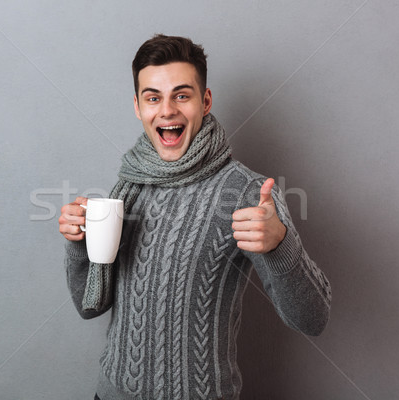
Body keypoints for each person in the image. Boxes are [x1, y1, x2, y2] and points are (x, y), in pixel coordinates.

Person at [58, 34, 331, 400]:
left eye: (181, 95)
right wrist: (78, 246)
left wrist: (281, 244)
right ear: (139, 107)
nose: (167, 110)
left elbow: (312, 319)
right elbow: (89, 307)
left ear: (205, 102)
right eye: (153, 97)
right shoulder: (128, 185)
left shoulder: (248, 193)